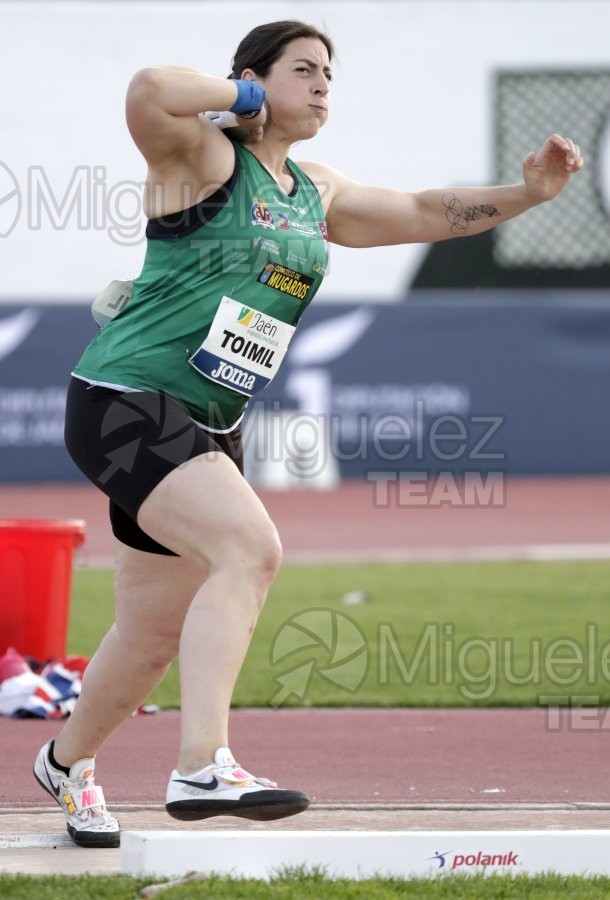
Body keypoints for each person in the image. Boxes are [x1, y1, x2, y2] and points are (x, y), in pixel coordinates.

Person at [33, 20, 583, 848]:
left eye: (331, 72)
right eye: (305, 70)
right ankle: (203, 762)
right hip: (127, 399)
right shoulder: (205, 160)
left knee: (149, 635)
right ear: (254, 78)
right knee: (251, 549)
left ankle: (65, 764)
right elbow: (150, 88)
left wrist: (528, 197)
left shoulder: (313, 192)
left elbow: (426, 211)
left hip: (213, 422)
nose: (325, 85)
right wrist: (248, 101)